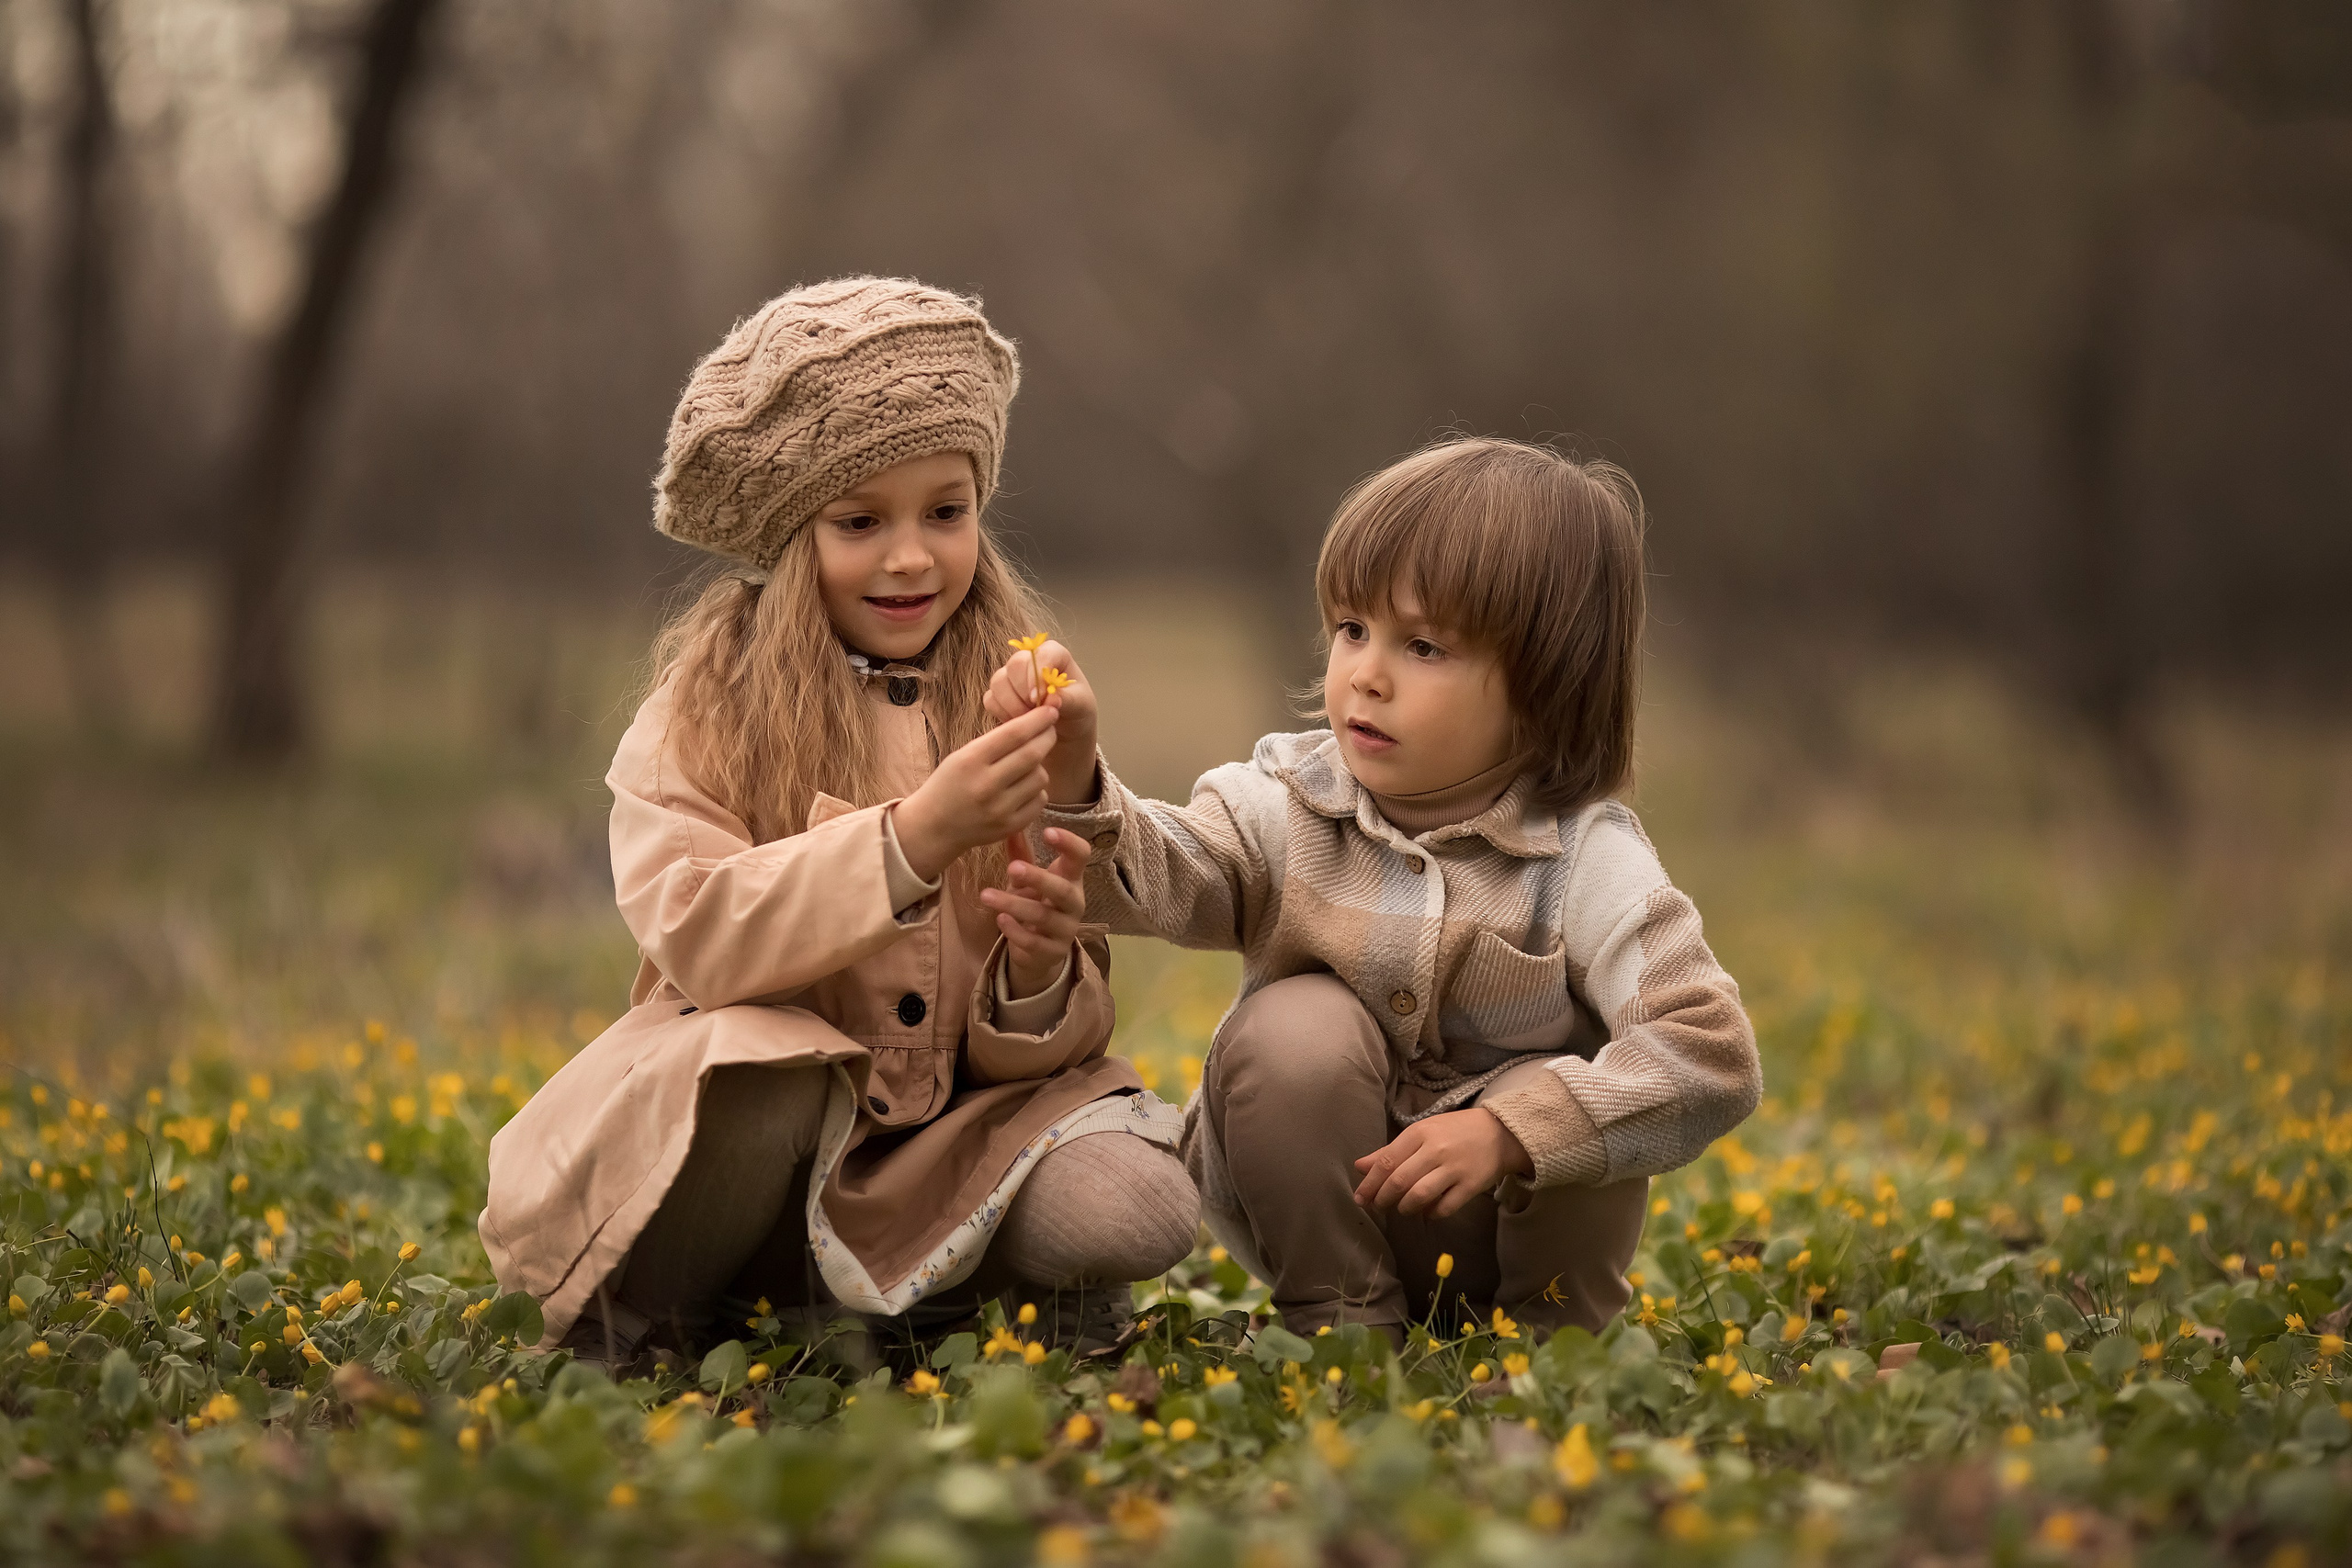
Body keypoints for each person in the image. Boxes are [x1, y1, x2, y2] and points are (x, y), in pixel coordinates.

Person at [480, 277, 1196, 1370]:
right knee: (755, 1074)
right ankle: (667, 1313)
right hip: (762, 1137)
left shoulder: (1013, 690)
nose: (910, 557)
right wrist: (913, 839)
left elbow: (1060, 1033)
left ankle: (903, 1303)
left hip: (949, 1138)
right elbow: (700, 932)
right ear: (787, 530)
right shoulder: (706, 709)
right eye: (860, 521)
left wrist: (1043, 966)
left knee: (1139, 1208)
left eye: (944, 513)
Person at [988, 436, 1760, 1342]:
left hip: (1502, 1230)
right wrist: (1078, 779)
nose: (1367, 673)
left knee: (1565, 1085)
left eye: (1424, 645)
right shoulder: (1291, 800)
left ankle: (1554, 1347)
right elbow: (1165, 874)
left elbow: (1710, 1054)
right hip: (1313, 1203)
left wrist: (1521, 1129)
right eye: (1352, 630)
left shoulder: (1585, 862)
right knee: (1291, 1027)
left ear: (1548, 686)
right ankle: (1340, 1319)